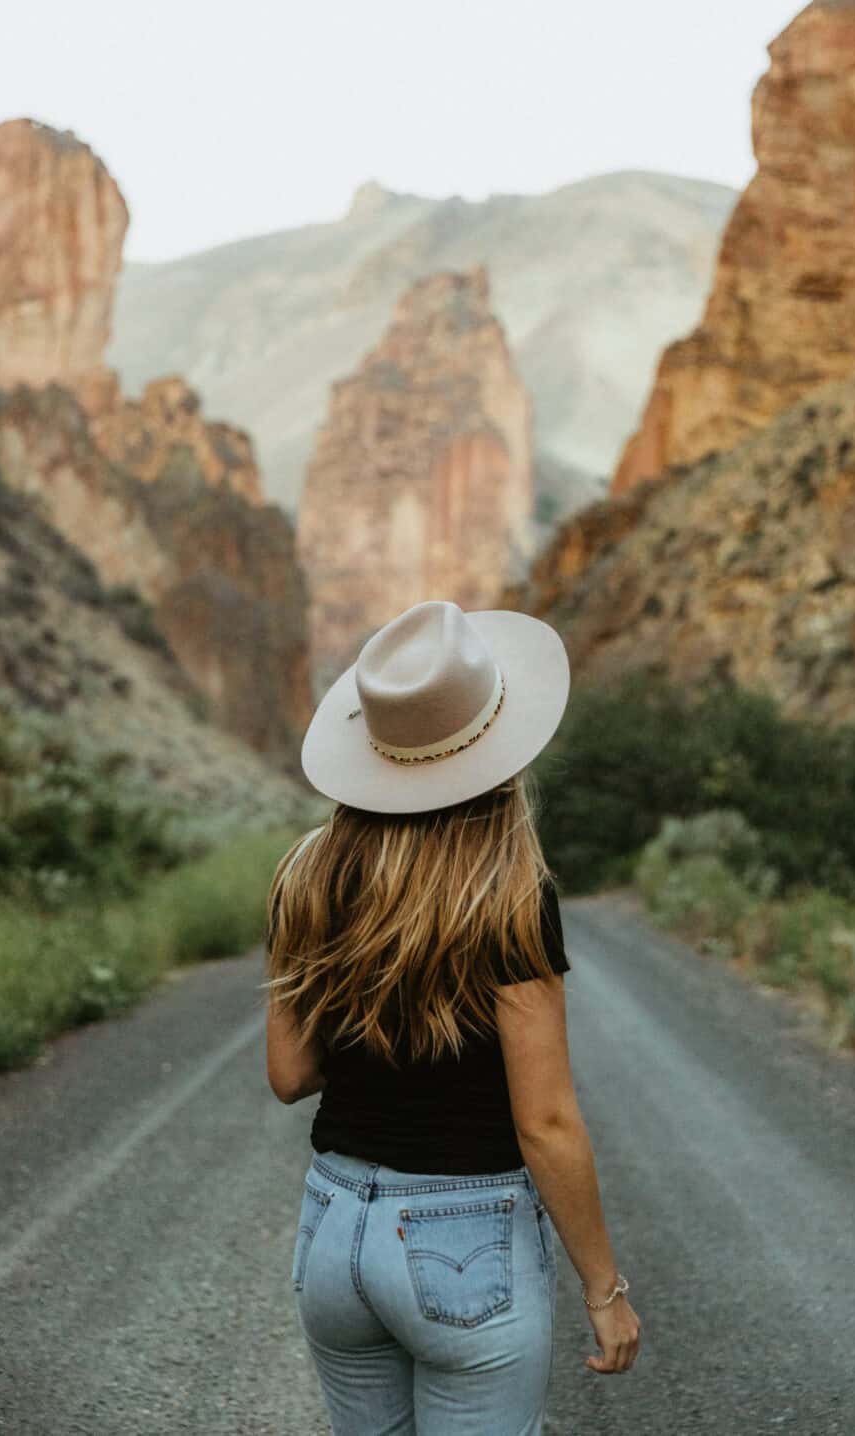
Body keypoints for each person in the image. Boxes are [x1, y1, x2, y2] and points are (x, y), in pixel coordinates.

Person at [265, 598, 641, 1434]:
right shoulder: (508, 894)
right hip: (462, 1242)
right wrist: (603, 1289)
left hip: (332, 1232)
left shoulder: (306, 876)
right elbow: (543, 1120)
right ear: (497, 745)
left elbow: (290, 1075)